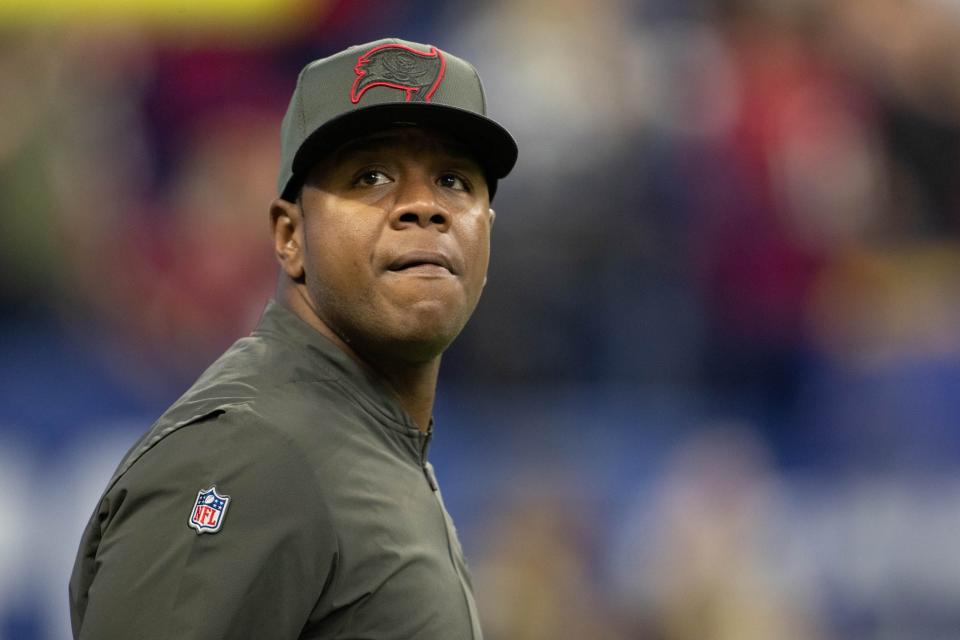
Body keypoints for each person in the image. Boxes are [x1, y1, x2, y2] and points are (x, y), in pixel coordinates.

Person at [68, 37, 517, 639]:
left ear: (486, 231)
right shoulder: (247, 454)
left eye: (455, 181)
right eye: (372, 176)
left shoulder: (362, 441)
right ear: (289, 236)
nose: (423, 208)